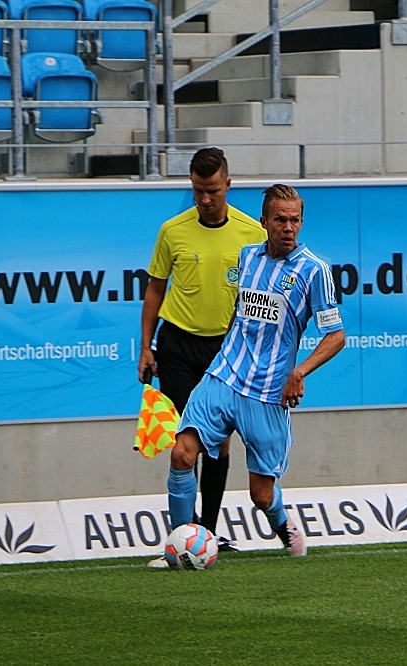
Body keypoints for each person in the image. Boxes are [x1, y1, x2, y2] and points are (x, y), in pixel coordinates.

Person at [158, 183, 345, 561]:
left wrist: (300, 371)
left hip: (268, 393)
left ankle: (285, 528)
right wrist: (226, 349)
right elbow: (241, 312)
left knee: (261, 494)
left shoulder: (315, 271)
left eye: (295, 220)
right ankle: (177, 548)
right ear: (264, 222)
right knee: (181, 454)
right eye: (280, 220)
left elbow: (336, 336)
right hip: (224, 377)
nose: (288, 227)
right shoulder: (248, 257)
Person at [138, 147, 266, 556]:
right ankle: (181, 536)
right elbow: (156, 288)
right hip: (177, 344)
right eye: (197, 191)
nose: (205, 199)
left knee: (220, 444)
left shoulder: (252, 233)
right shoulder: (172, 231)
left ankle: (206, 535)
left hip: (226, 350)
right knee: (185, 443)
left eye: (212, 190)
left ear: (227, 185)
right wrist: (146, 346)